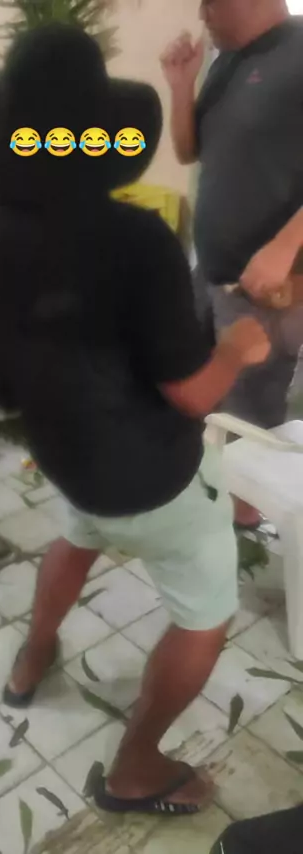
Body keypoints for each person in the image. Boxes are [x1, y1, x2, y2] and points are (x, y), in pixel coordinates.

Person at [0, 23, 270, 814]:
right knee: (207, 614)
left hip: (64, 451)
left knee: (78, 533)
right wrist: (238, 348)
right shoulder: (134, 240)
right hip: (152, 474)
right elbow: (190, 395)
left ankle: (32, 660)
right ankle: (136, 768)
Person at [161, 0, 303, 529]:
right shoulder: (227, 60)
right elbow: (189, 151)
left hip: (268, 288)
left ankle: (245, 525)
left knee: (251, 415)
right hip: (212, 269)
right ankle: (212, 488)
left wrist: (284, 246)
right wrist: (181, 85)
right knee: (203, 386)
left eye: (209, 1)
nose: (201, 14)